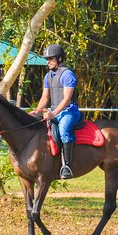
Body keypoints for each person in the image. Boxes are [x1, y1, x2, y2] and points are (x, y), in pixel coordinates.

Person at [30, 44, 81, 179]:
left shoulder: (67, 74)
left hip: (69, 111)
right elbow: (45, 97)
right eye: (47, 59)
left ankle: (67, 166)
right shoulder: (48, 76)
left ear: (59, 58)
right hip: (54, 111)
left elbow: (67, 99)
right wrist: (37, 110)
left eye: (51, 59)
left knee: (64, 130)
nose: (48, 62)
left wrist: (53, 114)